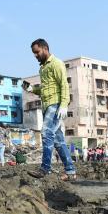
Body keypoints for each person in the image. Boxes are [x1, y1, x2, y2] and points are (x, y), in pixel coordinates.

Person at [23, 39, 76, 181]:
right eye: (34, 53)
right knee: (58, 141)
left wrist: (64, 104)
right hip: (47, 107)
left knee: (46, 133)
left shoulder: (57, 63)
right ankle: (70, 171)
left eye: (37, 52)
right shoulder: (43, 68)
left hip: (56, 105)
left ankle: (44, 168)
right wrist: (32, 89)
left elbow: (64, 84)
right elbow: (45, 90)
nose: (35, 55)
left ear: (45, 49)